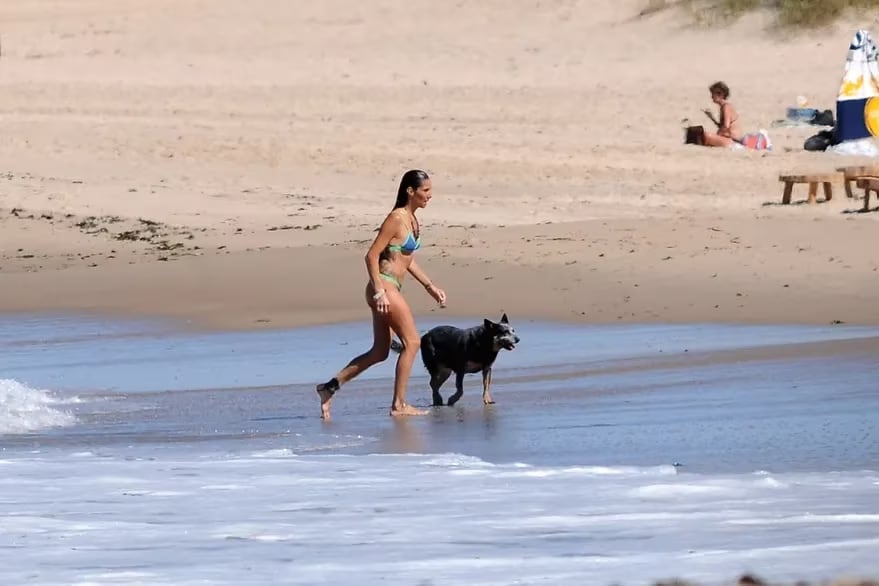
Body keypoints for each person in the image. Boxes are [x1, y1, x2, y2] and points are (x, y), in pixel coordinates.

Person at [315, 169, 447, 420]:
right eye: (425, 191)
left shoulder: (412, 219)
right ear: (411, 191)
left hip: (389, 289)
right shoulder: (396, 218)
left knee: (380, 352)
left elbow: (407, 259)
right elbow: (371, 255)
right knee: (413, 342)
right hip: (383, 287)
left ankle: (329, 387)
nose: (430, 196)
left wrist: (430, 286)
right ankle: (399, 405)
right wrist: (379, 292)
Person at [701, 81, 744, 148]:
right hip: (729, 139)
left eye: (713, 94)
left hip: (733, 141)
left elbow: (726, 126)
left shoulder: (726, 107)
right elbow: (722, 126)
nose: (711, 96)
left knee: (706, 135)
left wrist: (717, 135)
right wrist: (712, 118)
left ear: (721, 95)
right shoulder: (724, 107)